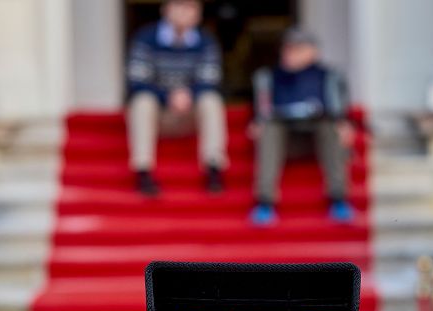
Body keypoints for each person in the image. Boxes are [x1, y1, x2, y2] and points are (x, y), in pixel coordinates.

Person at [248, 28, 355, 226]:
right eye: (287, 49)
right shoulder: (270, 77)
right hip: (284, 142)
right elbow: (259, 112)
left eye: (297, 49)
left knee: (330, 125)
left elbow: (341, 111)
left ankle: (339, 198)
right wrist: (258, 122)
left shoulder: (328, 76)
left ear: (313, 52)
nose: (290, 54)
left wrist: (343, 123)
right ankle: (265, 202)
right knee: (270, 127)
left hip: (318, 142)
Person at [126, 0, 226, 196]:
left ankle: (214, 168)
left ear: (199, 13)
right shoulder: (145, 38)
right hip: (159, 114)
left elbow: (211, 78)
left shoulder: (206, 41)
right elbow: (136, 80)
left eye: (191, 7)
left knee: (211, 101)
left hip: (190, 112)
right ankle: (143, 170)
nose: (184, 12)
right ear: (166, 9)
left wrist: (188, 95)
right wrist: (168, 96)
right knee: (142, 102)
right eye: (179, 5)